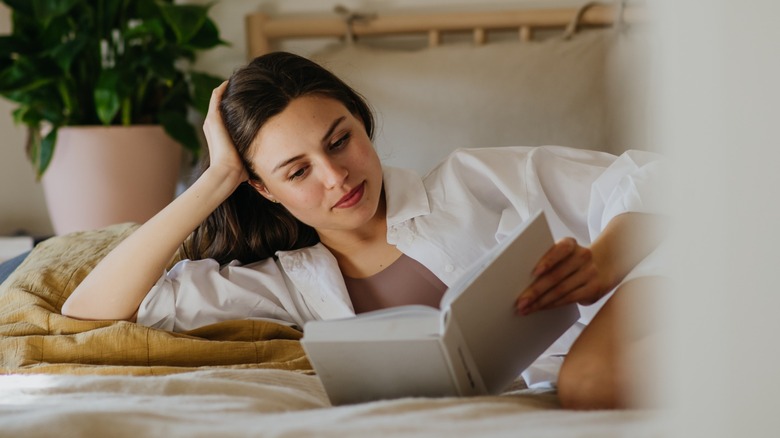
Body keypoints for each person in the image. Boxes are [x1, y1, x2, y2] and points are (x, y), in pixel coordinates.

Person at [61, 51, 666, 410]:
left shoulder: (471, 180)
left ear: (361, 121)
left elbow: (662, 177)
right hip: (594, 365)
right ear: (263, 188)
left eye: (340, 139)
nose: (336, 176)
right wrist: (216, 178)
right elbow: (93, 312)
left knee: (590, 384)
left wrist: (607, 256)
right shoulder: (287, 286)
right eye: (298, 171)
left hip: (655, 283)